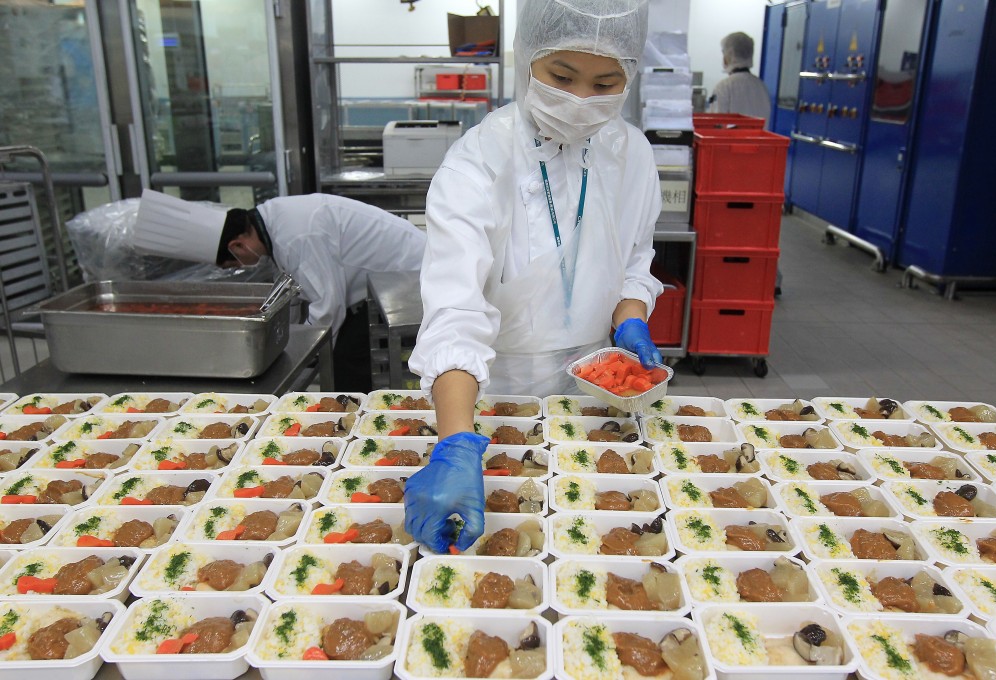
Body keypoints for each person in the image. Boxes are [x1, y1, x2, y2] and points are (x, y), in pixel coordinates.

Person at [403, 0, 664, 554]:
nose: (581, 99)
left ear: (630, 76)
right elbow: (455, 309)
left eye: (605, 83)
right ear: (527, 59)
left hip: (595, 394)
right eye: (562, 77)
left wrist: (631, 315)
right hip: (489, 393)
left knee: (592, 542)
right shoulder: (479, 161)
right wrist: (456, 444)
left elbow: (634, 259)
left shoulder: (633, 154)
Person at [133, 190, 426, 391]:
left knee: (347, 358)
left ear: (238, 245)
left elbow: (328, 307)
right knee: (345, 351)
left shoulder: (296, 236)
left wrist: (303, 353)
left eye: (232, 262)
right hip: (382, 284)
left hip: (409, 282)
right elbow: (301, 290)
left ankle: (356, 422)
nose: (239, 266)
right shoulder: (274, 219)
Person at [709, 31, 771, 126]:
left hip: (732, 136)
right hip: (759, 136)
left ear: (729, 55)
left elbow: (716, 124)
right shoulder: (761, 87)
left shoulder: (723, 87)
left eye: (724, 53)